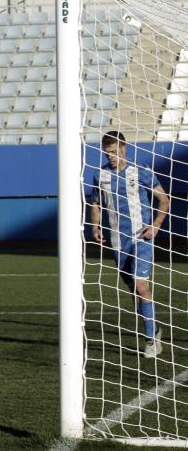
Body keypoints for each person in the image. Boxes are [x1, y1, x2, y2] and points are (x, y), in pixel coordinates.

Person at [90, 131, 170, 358]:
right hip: (117, 242)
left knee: (141, 284)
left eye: (114, 152)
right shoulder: (100, 176)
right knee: (135, 290)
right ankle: (154, 329)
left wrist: (155, 226)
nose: (111, 157)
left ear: (124, 148)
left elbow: (164, 200)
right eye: (107, 153)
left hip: (141, 237)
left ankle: (151, 340)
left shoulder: (140, 171)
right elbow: (96, 203)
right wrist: (95, 227)